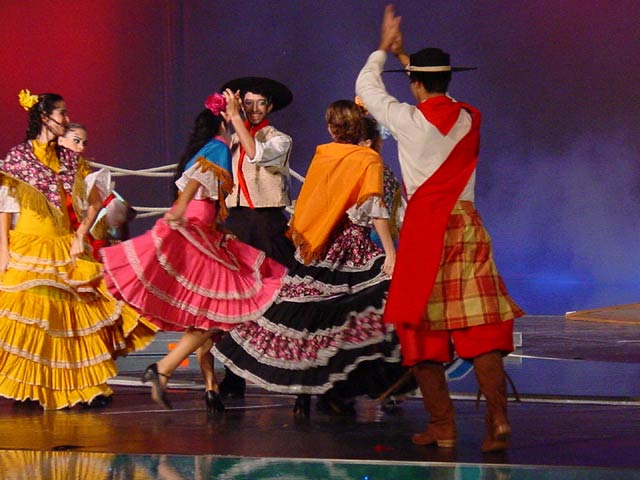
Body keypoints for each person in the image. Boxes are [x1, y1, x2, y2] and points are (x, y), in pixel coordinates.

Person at [355, 6, 525, 452]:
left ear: (414, 84)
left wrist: (383, 49)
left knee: (419, 328)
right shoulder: (470, 117)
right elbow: (435, 94)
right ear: (448, 80)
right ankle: (497, 419)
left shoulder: (406, 120)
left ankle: (443, 427)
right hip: (466, 226)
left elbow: (366, 88)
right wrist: (409, 59)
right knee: (480, 323)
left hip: (424, 231)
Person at [213, 99, 403, 417]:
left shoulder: (323, 153)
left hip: (318, 246)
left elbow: (311, 201)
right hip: (350, 246)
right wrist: (390, 252)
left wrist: (304, 242)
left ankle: (310, 394)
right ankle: (355, 387)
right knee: (365, 310)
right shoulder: (368, 158)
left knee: (313, 319)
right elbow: (375, 207)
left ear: (331, 128)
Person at [100, 93, 287, 413]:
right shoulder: (218, 146)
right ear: (223, 119)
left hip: (205, 228)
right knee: (220, 310)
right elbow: (196, 180)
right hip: (195, 227)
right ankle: (169, 370)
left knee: (210, 313)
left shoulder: (211, 146)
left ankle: (163, 370)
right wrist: (180, 209)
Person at [0, 89, 157, 409]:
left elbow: (97, 197)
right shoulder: (20, 157)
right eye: (62, 113)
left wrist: (81, 233)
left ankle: (76, 386)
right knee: (31, 315)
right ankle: (31, 385)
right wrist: (3, 249)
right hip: (29, 245)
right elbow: (6, 206)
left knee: (67, 317)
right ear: (44, 117)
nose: (66, 118)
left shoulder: (69, 159)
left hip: (63, 244)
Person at [206, 76, 297, 399]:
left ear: (269, 107)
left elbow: (256, 153)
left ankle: (292, 372)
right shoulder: (231, 140)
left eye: (260, 103)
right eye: (248, 104)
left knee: (281, 298)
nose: (254, 109)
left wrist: (235, 121)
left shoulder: (279, 139)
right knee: (234, 301)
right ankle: (233, 374)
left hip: (267, 224)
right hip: (237, 223)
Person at [58, 123, 137, 257]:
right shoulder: (44, 168)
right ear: (60, 140)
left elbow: (98, 204)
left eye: (84, 143)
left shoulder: (84, 174)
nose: (81, 147)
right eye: (76, 141)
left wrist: (80, 234)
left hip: (76, 237)